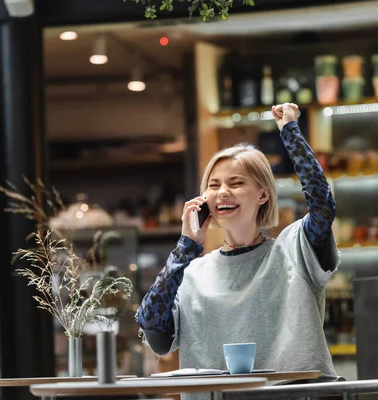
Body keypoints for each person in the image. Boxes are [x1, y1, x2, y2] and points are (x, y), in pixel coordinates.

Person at [136, 103, 340, 398]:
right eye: (214, 185)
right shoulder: (193, 272)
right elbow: (152, 326)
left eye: (236, 183)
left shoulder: (295, 249)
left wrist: (291, 133)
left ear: (263, 195)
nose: (222, 192)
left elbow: (323, 207)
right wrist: (186, 246)